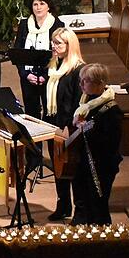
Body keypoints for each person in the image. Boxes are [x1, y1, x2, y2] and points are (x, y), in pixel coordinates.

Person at [71, 63, 123, 226]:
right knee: (84, 202)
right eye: (81, 81)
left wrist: (85, 128)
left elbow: (110, 142)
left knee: (98, 206)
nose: (81, 85)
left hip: (101, 166)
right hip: (85, 163)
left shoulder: (112, 110)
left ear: (100, 83)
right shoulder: (85, 104)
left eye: (85, 81)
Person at [44, 27, 85, 221]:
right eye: (53, 42)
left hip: (70, 126)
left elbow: (79, 102)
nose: (54, 46)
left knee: (73, 169)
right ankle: (63, 205)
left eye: (59, 43)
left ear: (70, 45)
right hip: (53, 123)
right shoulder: (53, 66)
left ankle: (80, 209)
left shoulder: (77, 69)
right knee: (58, 167)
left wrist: (70, 127)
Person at [13, 0, 65, 119]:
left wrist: (45, 76)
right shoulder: (24, 25)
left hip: (49, 76)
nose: (38, 7)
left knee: (50, 113)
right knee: (31, 112)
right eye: (35, 4)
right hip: (28, 76)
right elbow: (18, 52)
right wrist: (25, 74)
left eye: (42, 3)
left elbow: (60, 53)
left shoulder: (57, 25)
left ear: (48, 6)